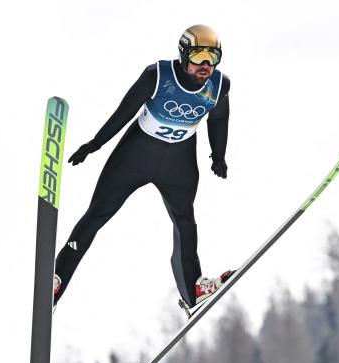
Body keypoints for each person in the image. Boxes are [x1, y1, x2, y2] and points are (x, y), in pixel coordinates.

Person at [52, 24, 233, 313]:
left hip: (179, 163)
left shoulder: (219, 84)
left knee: (185, 222)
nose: (206, 65)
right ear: (185, 54)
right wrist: (95, 144)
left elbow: (219, 119)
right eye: (199, 56)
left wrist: (218, 156)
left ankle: (193, 289)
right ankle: (57, 280)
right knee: (97, 214)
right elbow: (124, 112)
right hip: (135, 156)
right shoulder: (157, 75)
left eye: (213, 57)